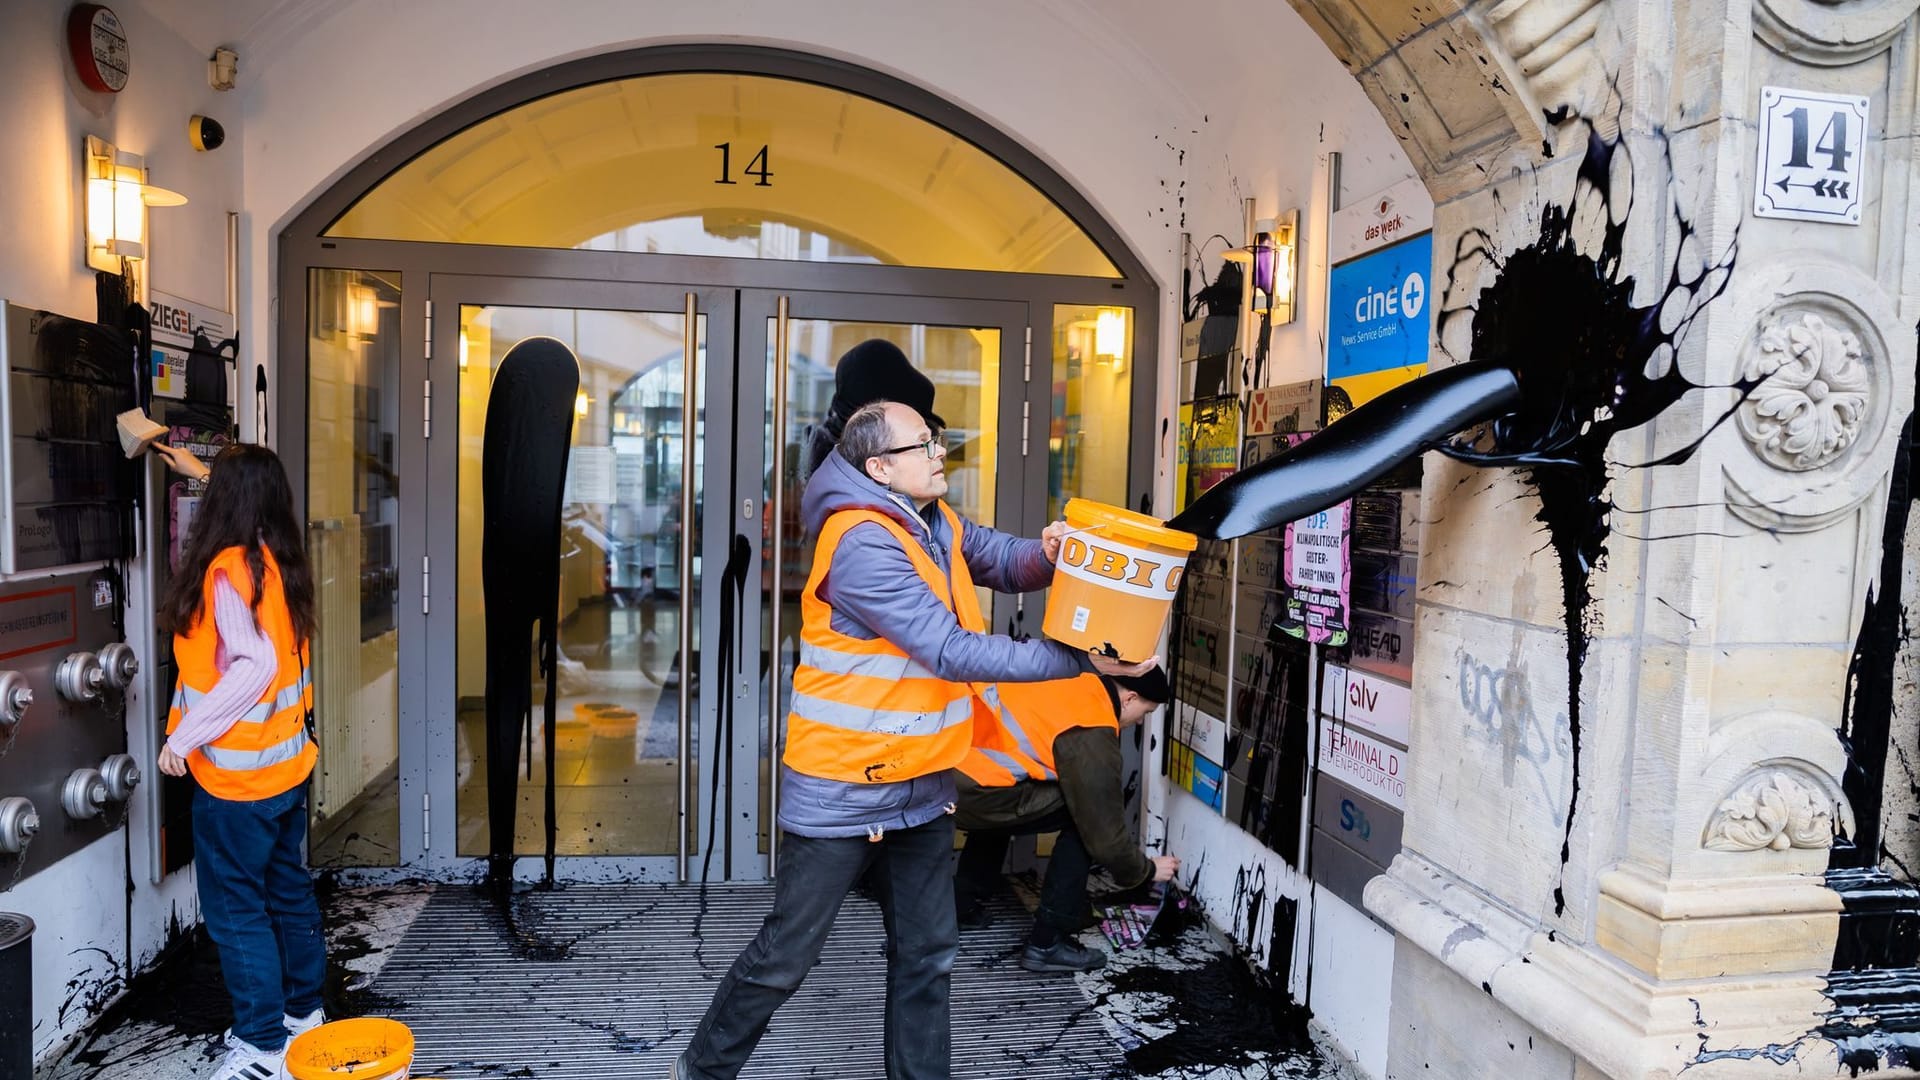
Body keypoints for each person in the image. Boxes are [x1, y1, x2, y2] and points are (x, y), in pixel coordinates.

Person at [675, 401, 1155, 1080]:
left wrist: (1051, 555)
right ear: (879, 467)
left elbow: (1004, 559)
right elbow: (950, 650)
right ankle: (700, 1071)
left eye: (940, 441)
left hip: (923, 787)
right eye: (925, 445)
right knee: (787, 957)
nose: (941, 454)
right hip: (843, 789)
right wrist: (1080, 660)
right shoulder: (862, 541)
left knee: (928, 956)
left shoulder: (933, 520)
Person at [152, 442, 327, 1080]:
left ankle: (261, 1047)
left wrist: (183, 739)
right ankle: (303, 1016)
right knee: (286, 892)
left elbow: (254, 668)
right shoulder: (276, 564)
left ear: (223, 501)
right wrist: (191, 464)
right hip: (284, 773)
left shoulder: (225, 571)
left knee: (236, 910)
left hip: (236, 780)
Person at [953, 666, 1180, 973]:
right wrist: (1147, 871)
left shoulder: (1076, 680)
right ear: (1129, 698)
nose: (1139, 721)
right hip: (971, 791)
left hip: (948, 773)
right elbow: (1105, 836)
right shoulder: (1093, 727)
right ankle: (1047, 942)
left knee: (1014, 788)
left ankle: (961, 903)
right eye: (1144, 712)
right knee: (1083, 815)